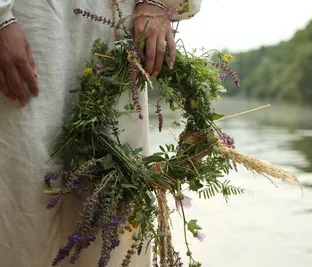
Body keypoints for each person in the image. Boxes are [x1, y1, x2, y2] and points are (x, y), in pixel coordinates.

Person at [0, 0, 202, 266]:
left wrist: (160, 3)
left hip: (115, 31)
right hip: (29, 26)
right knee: (24, 194)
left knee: (113, 199)